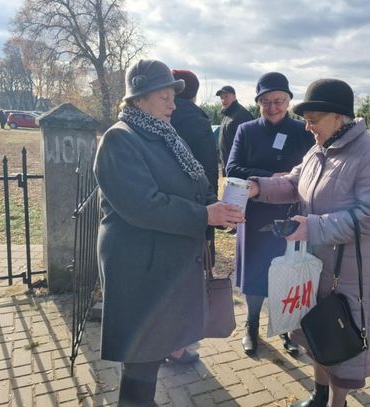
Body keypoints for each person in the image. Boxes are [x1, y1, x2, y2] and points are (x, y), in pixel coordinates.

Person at [94, 59, 244, 407]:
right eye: (164, 97)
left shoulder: (164, 135)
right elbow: (143, 205)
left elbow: (191, 185)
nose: (173, 105)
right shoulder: (120, 139)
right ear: (138, 98)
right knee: (141, 361)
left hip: (163, 264)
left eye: (173, 98)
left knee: (154, 351)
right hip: (140, 266)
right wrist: (203, 215)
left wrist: (217, 210)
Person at [247, 79, 370, 407]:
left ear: (338, 117)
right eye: (306, 119)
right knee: (315, 331)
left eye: (313, 119)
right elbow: (294, 182)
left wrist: (313, 227)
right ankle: (319, 394)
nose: (307, 126)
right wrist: (258, 187)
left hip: (349, 271)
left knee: (339, 336)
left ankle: (337, 402)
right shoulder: (319, 149)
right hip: (313, 265)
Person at [226, 72, 314, 357]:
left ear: (288, 101)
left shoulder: (302, 131)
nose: (272, 107)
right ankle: (251, 327)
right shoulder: (247, 130)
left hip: (290, 215)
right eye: (266, 102)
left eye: (278, 101)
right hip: (254, 214)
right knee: (254, 274)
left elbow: (311, 170)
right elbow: (232, 168)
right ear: (258, 102)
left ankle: (285, 328)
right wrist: (270, 177)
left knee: (286, 273)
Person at [171, 69, 219, 265]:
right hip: (196, 206)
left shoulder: (154, 118)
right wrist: (209, 228)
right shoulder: (198, 122)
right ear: (194, 94)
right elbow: (209, 171)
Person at [216, 85, 254, 175]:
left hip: (239, 169)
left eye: (226, 97)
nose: (223, 100)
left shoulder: (241, 115)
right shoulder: (228, 114)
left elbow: (248, 145)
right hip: (230, 167)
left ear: (234, 97)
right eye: (221, 98)